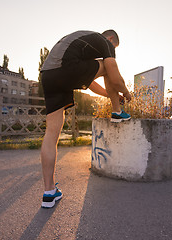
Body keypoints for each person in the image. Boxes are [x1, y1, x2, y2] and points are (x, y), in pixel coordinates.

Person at [40, 30, 132, 208]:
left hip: (48, 75)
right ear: (111, 39)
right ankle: (117, 112)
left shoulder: (82, 47)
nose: (113, 51)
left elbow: (88, 82)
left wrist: (107, 94)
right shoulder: (103, 41)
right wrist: (126, 93)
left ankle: (49, 193)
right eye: (114, 48)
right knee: (108, 66)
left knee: (51, 134)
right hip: (66, 69)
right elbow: (112, 73)